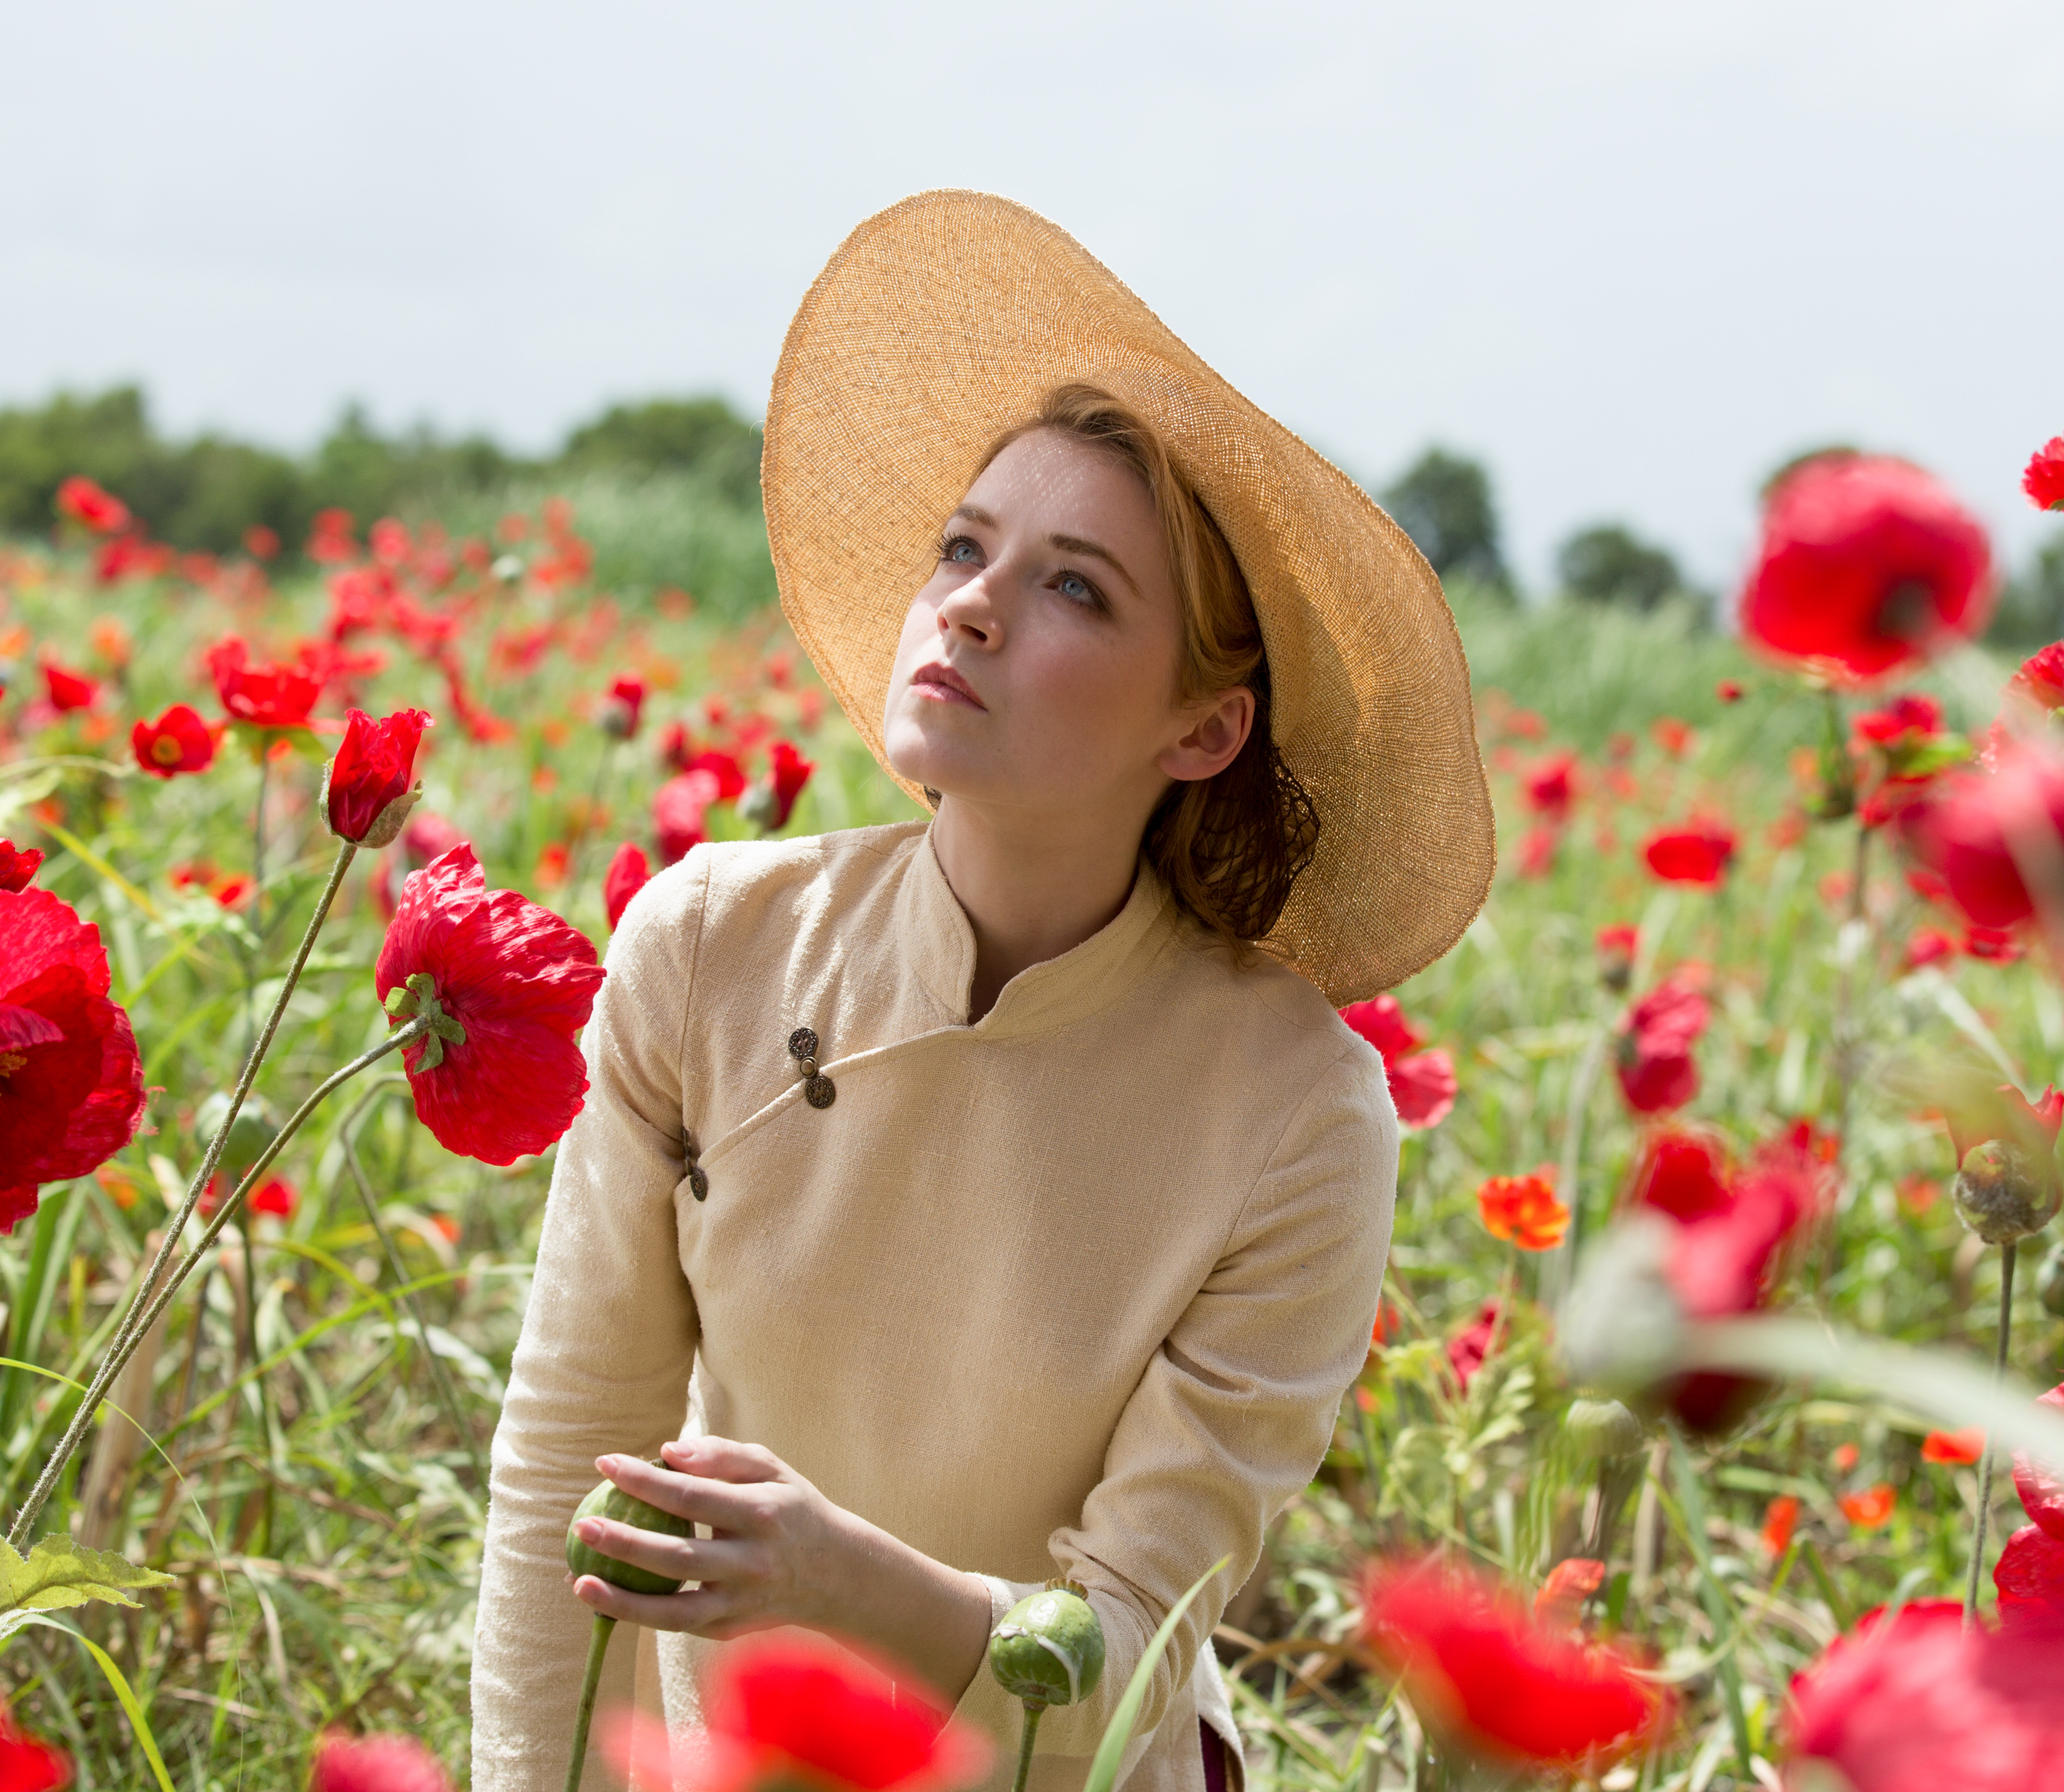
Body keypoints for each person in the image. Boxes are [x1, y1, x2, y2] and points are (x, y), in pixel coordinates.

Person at [470, 190, 1493, 1792]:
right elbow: (563, 1485)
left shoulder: (1295, 1111)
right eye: (966, 544)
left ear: (1203, 731)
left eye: (1077, 588)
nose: (972, 601)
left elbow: (1133, 1660)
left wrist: (840, 1578)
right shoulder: (711, 945)